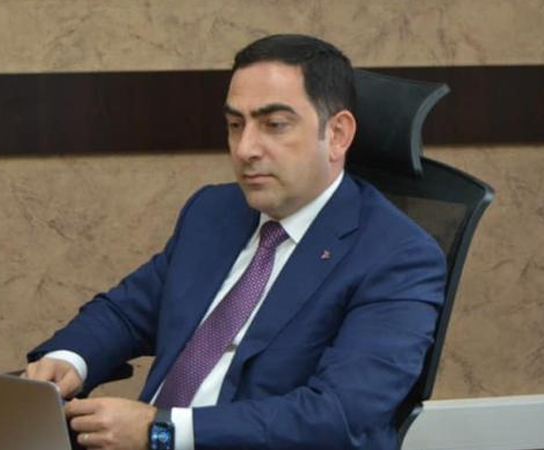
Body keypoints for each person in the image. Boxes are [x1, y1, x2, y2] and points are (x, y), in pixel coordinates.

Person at [24, 34, 446, 450]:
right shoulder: (213, 212)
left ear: (337, 134)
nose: (245, 149)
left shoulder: (398, 258)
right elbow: (127, 313)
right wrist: (69, 360)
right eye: (235, 125)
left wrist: (161, 431)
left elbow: (338, 415)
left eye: (274, 125)